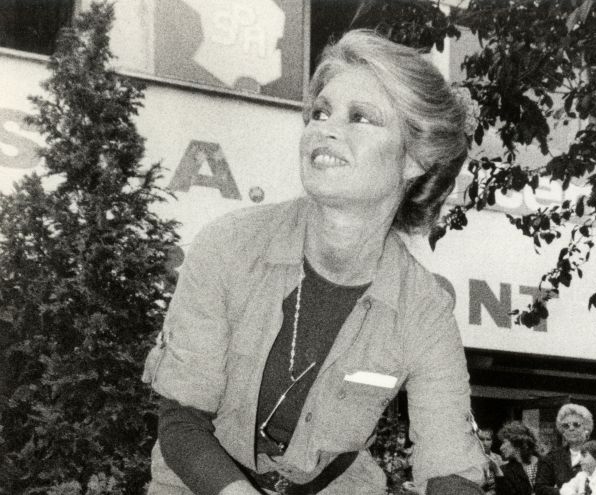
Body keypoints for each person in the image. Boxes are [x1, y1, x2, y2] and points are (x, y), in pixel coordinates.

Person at [141, 29, 487, 495]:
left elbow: (451, 467)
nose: (325, 128)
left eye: (360, 117)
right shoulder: (229, 246)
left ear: (415, 159)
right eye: (321, 113)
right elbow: (181, 424)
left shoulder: (425, 311)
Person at [535, 403, 593, 495]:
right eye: (566, 426)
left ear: (586, 428)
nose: (571, 428)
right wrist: (561, 492)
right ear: (562, 431)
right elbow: (540, 488)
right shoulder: (552, 457)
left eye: (576, 424)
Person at [492, 421, 540, 495]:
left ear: (517, 442)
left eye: (504, 442)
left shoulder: (545, 463)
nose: (501, 448)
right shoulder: (505, 471)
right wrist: (499, 474)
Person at [480, 428, 505, 494]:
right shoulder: (472, 458)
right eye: (482, 439)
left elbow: (502, 480)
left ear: (492, 441)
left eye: (488, 439)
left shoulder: (498, 458)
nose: (484, 443)